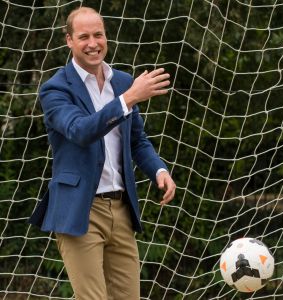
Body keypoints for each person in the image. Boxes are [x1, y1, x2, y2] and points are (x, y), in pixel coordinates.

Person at [28, 6, 176, 300]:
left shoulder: (122, 82)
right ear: (69, 40)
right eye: (84, 36)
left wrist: (159, 170)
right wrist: (130, 98)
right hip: (80, 209)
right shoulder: (55, 89)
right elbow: (81, 131)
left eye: (98, 34)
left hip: (121, 210)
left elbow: (137, 141)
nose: (93, 43)